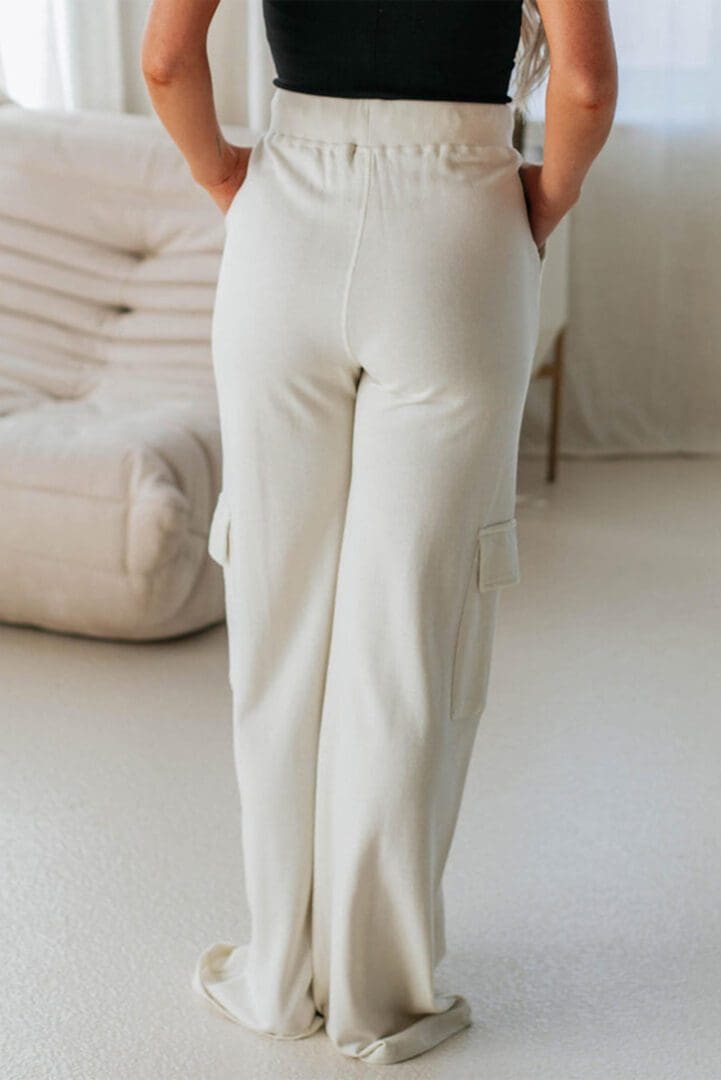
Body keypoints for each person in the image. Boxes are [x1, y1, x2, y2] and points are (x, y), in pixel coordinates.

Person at [142, 0, 617, 1066]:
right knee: (408, 626)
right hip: (460, 224)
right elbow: (582, 87)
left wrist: (225, 176)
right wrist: (540, 204)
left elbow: (168, 59)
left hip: (283, 223)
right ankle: (381, 995)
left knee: (277, 615)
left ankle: (279, 976)